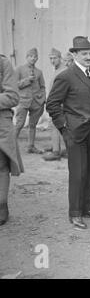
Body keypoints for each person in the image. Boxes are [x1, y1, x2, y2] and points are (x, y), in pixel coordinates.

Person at [47, 36, 90, 229]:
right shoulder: (66, 76)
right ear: (74, 55)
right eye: (84, 54)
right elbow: (52, 104)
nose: (89, 57)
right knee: (78, 173)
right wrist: (64, 128)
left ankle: (88, 207)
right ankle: (75, 213)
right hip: (75, 133)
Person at [0, 55, 24, 225]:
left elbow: (13, 97)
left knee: (1, 166)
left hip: (1, 123)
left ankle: (2, 206)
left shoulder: (3, 63)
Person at [14, 48, 46, 153]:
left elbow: (42, 87)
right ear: (27, 57)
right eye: (31, 56)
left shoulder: (39, 72)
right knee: (19, 124)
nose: (33, 58)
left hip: (36, 102)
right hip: (23, 101)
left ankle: (30, 146)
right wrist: (27, 80)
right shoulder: (19, 69)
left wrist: (43, 99)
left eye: (35, 57)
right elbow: (14, 85)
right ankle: (10, 146)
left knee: (33, 125)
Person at [43, 48, 67, 161]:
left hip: (59, 104)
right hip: (55, 103)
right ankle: (59, 148)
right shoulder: (57, 69)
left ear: (60, 58)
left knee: (55, 126)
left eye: (54, 58)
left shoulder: (63, 70)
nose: (52, 61)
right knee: (58, 127)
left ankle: (56, 152)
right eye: (50, 58)